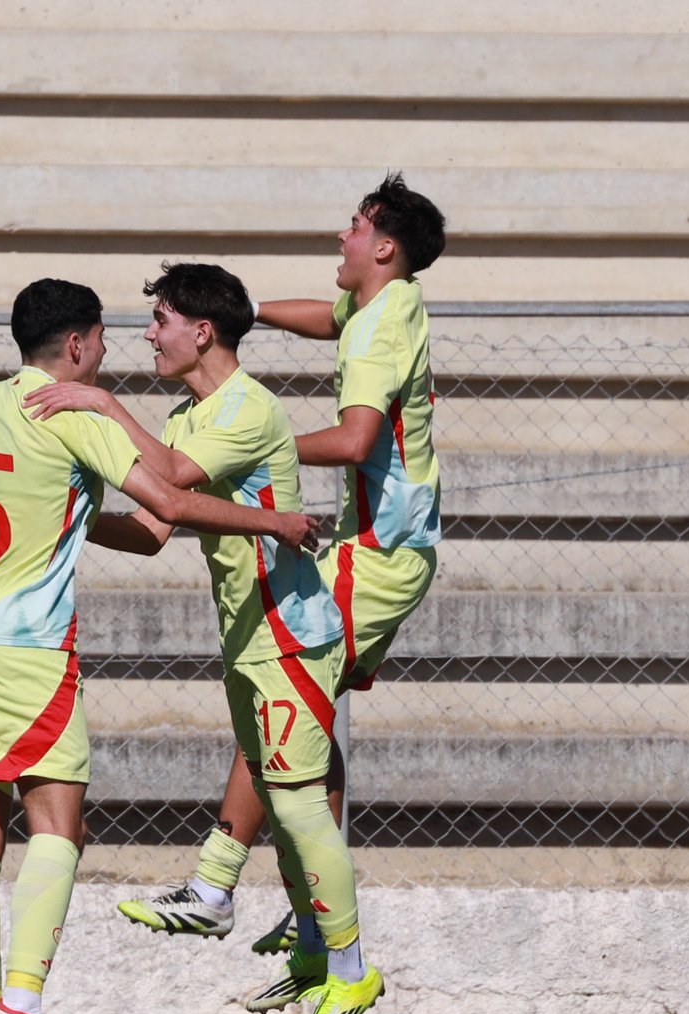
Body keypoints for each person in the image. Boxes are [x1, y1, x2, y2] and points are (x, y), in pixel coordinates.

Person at [0, 277, 320, 1014]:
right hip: (29, 650)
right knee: (57, 816)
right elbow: (168, 500)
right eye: (101, 339)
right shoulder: (77, 410)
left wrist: (56, 507)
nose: (110, 351)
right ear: (74, 346)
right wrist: (275, 522)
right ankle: (24, 1006)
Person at [25, 262, 384, 1014]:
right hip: (249, 638)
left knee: (296, 806)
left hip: (291, 637)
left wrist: (100, 402)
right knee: (286, 811)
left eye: (160, 318)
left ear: (202, 331)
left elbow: (174, 483)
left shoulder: (248, 409)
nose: (148, 334)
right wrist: (70, 522)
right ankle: (316, 951)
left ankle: (354, 970)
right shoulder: (188, 413)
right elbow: (157, 526)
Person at [114, 172, 447, 973]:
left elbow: (357, 440)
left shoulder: (374, 332)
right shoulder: (379, 307)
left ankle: (224, 890)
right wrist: (247, 310)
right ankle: (304, 918)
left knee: (283, 697)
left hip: (380, 553)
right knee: (301, 721)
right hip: (385, 547)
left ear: (385, 245)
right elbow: (324, 320)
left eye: (355, 226)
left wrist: (254, 449)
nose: (342, 236)